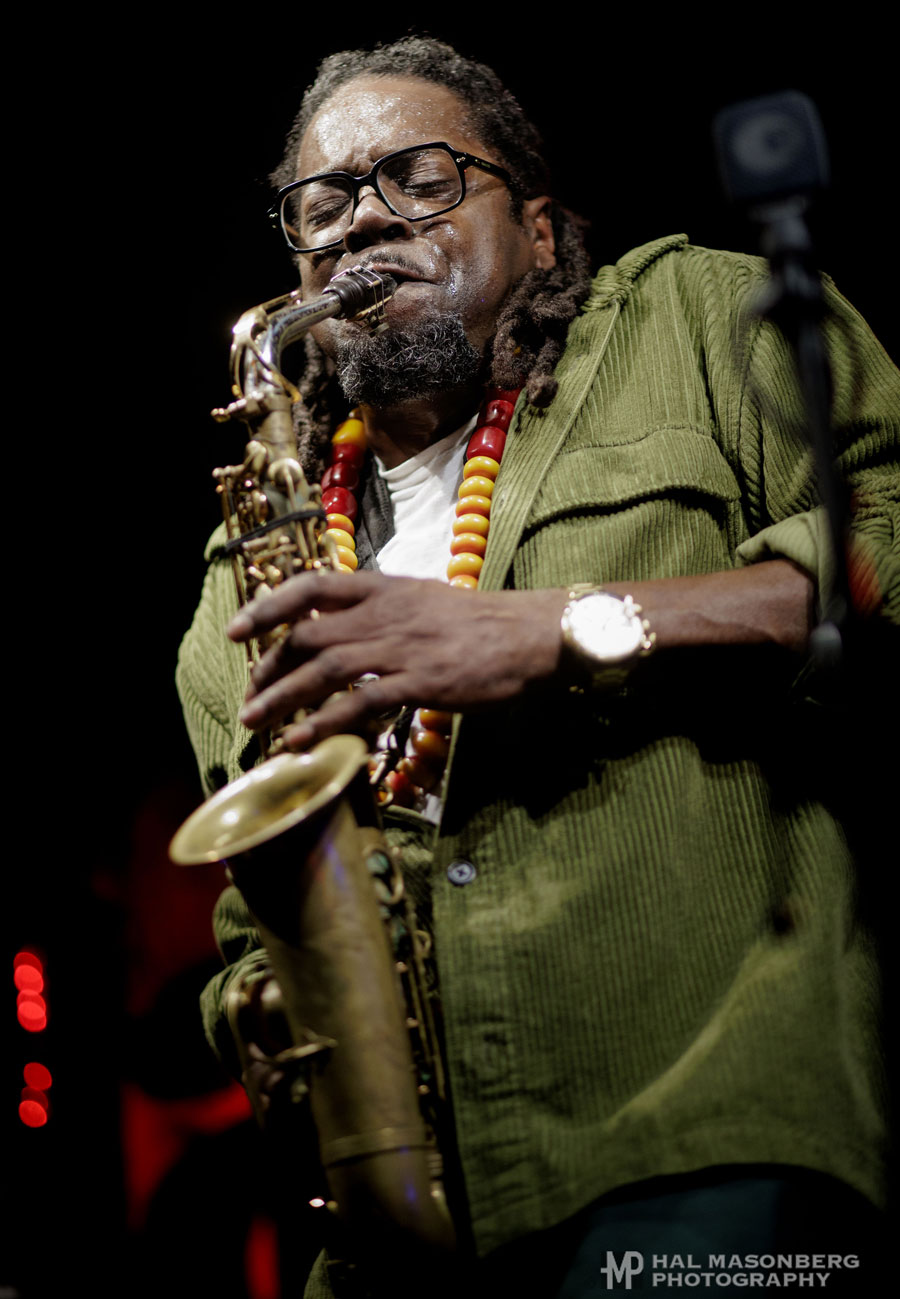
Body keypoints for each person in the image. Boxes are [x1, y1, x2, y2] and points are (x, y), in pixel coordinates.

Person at [176, 37, 898, 1298]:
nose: (362, 227)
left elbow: (889, 548)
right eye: (325, 204)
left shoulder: (698, 317)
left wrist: (557, 626)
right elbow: (250, 911)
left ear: (546, 230)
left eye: (419, 179)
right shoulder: (238, 575)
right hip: (399, 1226)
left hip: (702, 1143)